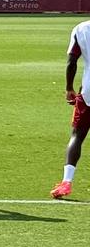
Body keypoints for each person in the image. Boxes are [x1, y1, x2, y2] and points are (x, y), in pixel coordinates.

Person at [50, 17, 90, 198]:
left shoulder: (81, 28)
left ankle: (66, 182)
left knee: (77, 135)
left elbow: (71, 61)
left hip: (89, 91)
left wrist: (69, 88)